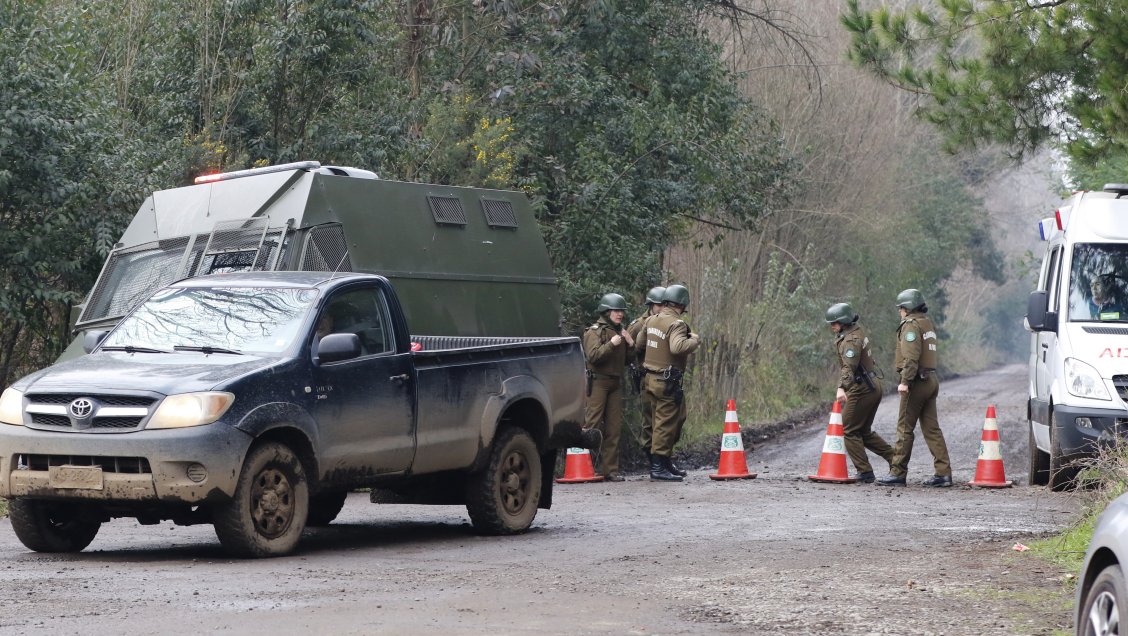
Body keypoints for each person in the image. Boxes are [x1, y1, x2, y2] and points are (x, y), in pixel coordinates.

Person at [877, 289, 952, 487]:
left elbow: (911, 357)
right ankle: (943, 473)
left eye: (901, 308)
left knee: (904, 428)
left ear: (908, 308)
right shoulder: (926, 323)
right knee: (932, 429)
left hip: (917, 382)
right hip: (931, 379)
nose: (900, 311)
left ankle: (898, 472)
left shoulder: (910, 326)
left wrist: (905, 381)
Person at [635, 284, 699, 482]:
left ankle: (664, 462)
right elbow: (678, 347)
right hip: (666, 380)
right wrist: (695, 340)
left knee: (663, 421)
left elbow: (639, 344)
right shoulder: (676, 324)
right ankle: (658, 467)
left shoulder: (652, 320)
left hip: (649, 378)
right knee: (665, 423)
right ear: (681, 304)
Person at [825, 302, 893, 483]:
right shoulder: (856, 332)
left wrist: (841, 388)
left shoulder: (851, 340)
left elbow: (849, 367)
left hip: (862, 387)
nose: (832, 326)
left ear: (844, 321)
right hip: (870, 384)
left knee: (847, 428)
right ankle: (896, 460)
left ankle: (865, 471)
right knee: (862, 431)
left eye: (835, 323)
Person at [582, 292, 633, 481]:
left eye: (621, 311)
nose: (620, 314)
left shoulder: (621, 331)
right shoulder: (594, 331)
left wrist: (630, 344)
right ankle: (582, 465)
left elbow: (628, 360)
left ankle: (610, 470)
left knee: (614, 428)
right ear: (606, 311)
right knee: (592, 425)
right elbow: (593, 356)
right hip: (598, 382)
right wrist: (611, 344)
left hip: (615, 383)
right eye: (616, 310)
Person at [626, 286, 665, 455]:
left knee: (666, 421)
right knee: (649, 420)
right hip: (645, 377)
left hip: (664, 378)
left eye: (665, 305)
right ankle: (652, 458)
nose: (662, 309)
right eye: (659, 305)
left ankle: (663, 457)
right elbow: (627, 354)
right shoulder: (638, 325)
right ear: (651, 306)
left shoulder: (667, 323)